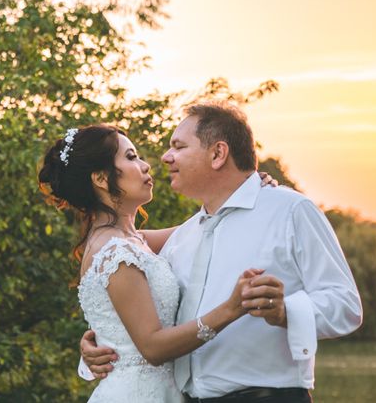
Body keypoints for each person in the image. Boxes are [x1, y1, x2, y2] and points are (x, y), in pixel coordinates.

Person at [81, 102, 363, 403]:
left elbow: (346, 305)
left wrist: (286, 312)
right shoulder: (182, 237)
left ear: (217, 154)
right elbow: (136, 302)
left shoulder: (291, 211)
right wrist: (98, 342)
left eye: (178, 146)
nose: (165, 157)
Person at [39, 124, 266, 403]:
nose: (146, 166)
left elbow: (207, 225)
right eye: (131, 157)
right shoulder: (116, 253)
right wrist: (231, 309)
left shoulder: (134, 240)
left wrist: (244, 187)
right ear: (100, 178)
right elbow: (153, 347)